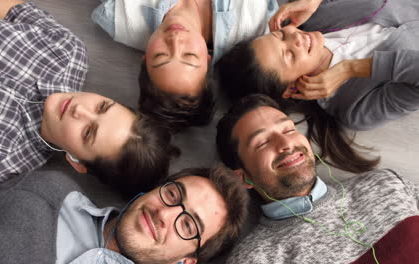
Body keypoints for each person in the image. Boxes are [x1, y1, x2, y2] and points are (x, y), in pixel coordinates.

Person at [0, 0, 178, 196]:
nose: (80, 110)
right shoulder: (67, 51)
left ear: (76, 162)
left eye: (88, 132)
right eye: (101, 106)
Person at [216, 94, 419, 263]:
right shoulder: (255, 258)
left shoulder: (383, 184)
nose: (286, 143)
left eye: (288, 129)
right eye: (262, 142)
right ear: (242, 177)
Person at [216, 0, 419, 169]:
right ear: (292, 89)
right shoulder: (356, 107)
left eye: (279, 35)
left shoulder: (316, 16)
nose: (295, 37)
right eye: (288, 54)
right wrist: (352, 68)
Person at [0, 165, 249, 264]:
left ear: (186, 261)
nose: (165, 214)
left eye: (187, 224)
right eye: (172, 195)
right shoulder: (50, 193)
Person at [92, 0, 278, 131]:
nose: (175, 41)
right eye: (189, 55)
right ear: (207, 58)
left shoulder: (122, 16)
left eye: (161, 55)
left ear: (145, 58)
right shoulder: (252, 26)